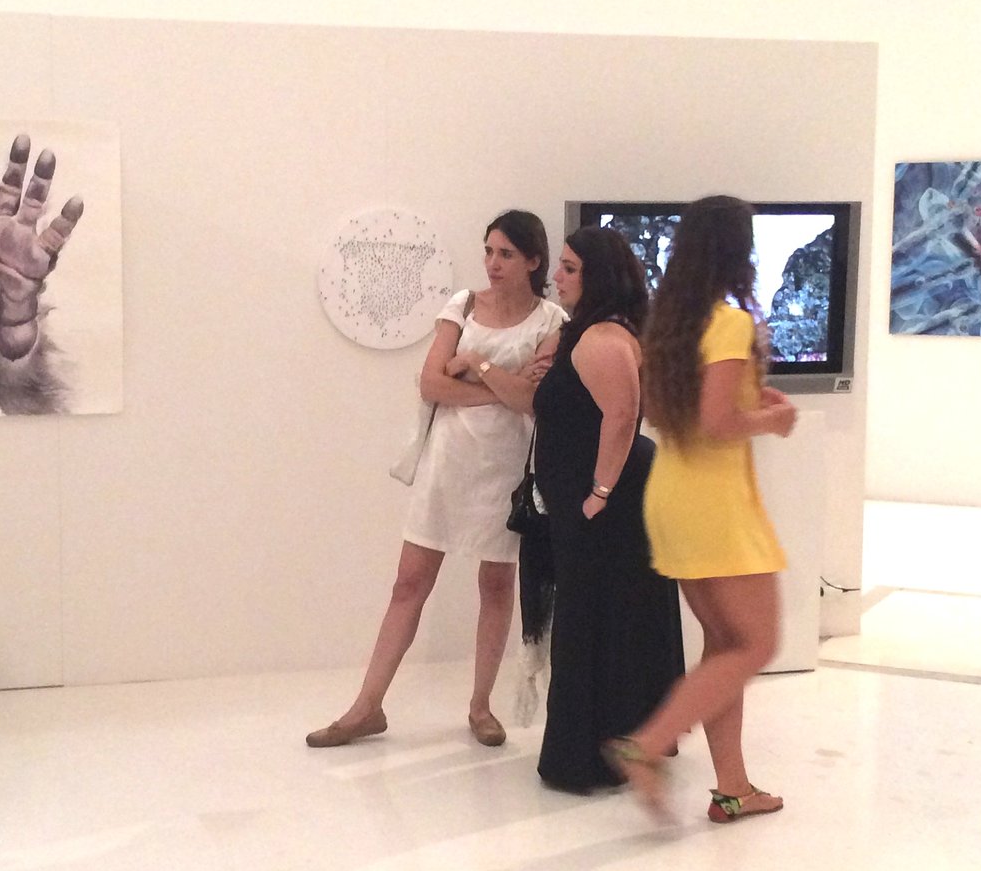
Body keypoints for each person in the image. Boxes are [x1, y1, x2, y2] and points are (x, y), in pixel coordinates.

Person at [307, 211, 565, 749]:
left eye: (506, 254)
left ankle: (480, 706)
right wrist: (502, 388)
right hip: (447, 463)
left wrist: (475, 365)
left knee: (496, 586)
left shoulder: (550, 321)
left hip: (506, 470)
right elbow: (431, 384)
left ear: (533, 261)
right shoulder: (463, 305)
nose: (492, 263)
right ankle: (366, 707)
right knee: (409, 583)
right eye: (489, 250)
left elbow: (534, 401)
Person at [601, 195, 797, 823]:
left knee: (725, 646)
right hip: (716, 505)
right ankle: (647, 744)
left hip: (674, 497)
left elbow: (679, 412)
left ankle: (733, 789)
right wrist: (772, 419)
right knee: (758, 644)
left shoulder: (667, 326)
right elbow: (716, 422)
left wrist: (749, 399)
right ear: (737, 251)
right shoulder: (730, 323)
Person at [532, 226, 684, 793]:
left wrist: (597, 494)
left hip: (605, 503)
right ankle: (623, 741)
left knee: (590, 620)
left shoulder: (600, 338)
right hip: (598, 497)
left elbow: (622, 418)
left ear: (597, 276)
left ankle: (590, 755)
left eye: (569, 268)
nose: (557, 276)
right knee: (608, 617)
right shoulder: (586, 333)